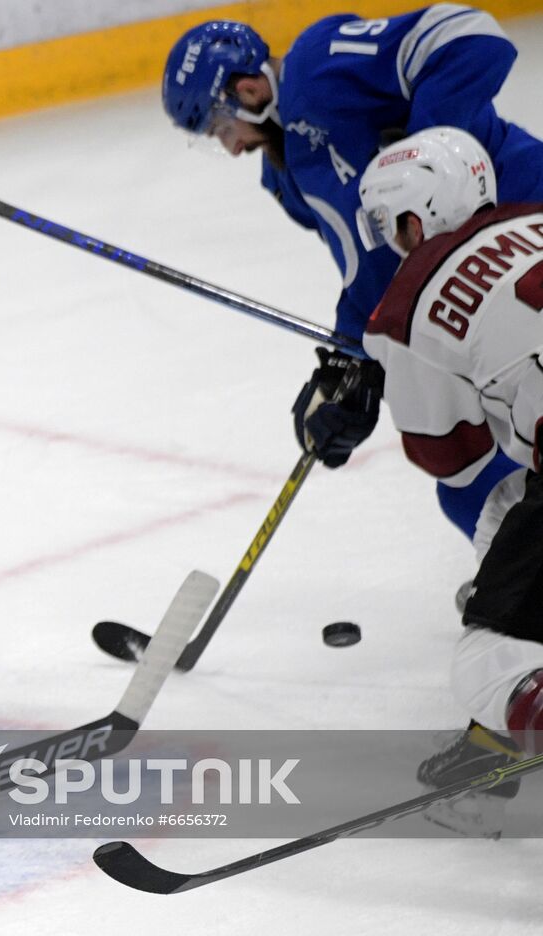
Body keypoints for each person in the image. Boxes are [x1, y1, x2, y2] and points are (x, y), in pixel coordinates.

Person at [161, 6, 543, 548]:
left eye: (223, 128)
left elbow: (471, 37)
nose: (232, 146)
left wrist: (428, 158)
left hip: (523, 223)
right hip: (472, 298)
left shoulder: (319, 63)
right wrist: (346, 364)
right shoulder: (285, 178)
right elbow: (373, 268)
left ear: (247, 91)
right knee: (468, 475)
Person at [355, 127, 543, 830]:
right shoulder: (536, 218)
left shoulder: (410, 296)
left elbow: (451, 457)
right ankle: (491, 748)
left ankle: (515, 709)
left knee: (488, 660)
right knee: (509, 508)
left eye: (391, 226)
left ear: (414, 218)